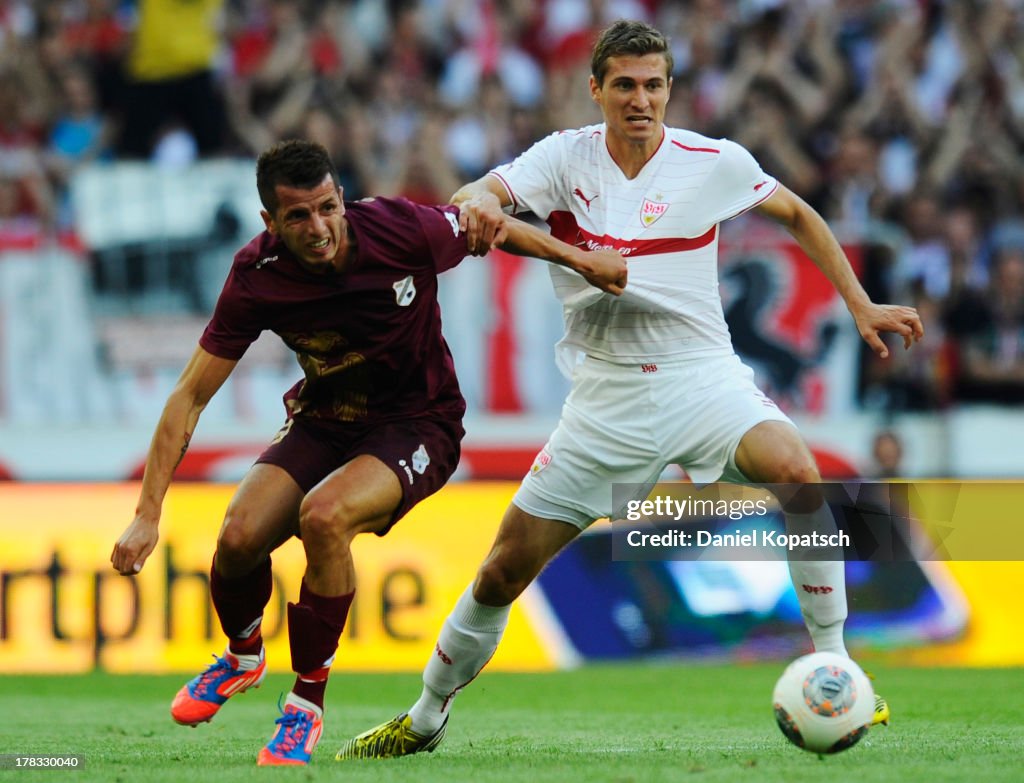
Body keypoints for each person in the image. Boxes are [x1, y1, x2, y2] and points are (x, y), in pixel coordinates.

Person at [336, 19, 924, 761]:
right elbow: (477, 195)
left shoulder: (711, 161)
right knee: (501, 568)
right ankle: (423, 716)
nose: (639, 100)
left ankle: (838, 667)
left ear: (670, 89)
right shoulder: (562, 158)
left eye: (653, 85)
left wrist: (861, 302)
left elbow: (800, 215)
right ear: (597, 90)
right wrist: (490, 205)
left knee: (799, 474)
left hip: (703, 377)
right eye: (624, 86)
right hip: (606, 401)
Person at [109, 139, 626, 766]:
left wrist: (583, 261)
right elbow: (189, 395)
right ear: (270, 223)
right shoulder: (257, 277)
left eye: (328, 207)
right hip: (325, 420)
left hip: (419, 424)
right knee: (240, 536)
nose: (319, 227)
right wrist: (147, 513)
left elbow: (491, 225)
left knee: (325, 517)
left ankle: (305, 707)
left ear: (342, 200)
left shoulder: (401, 230)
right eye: (298, 216)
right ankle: (243, 656)